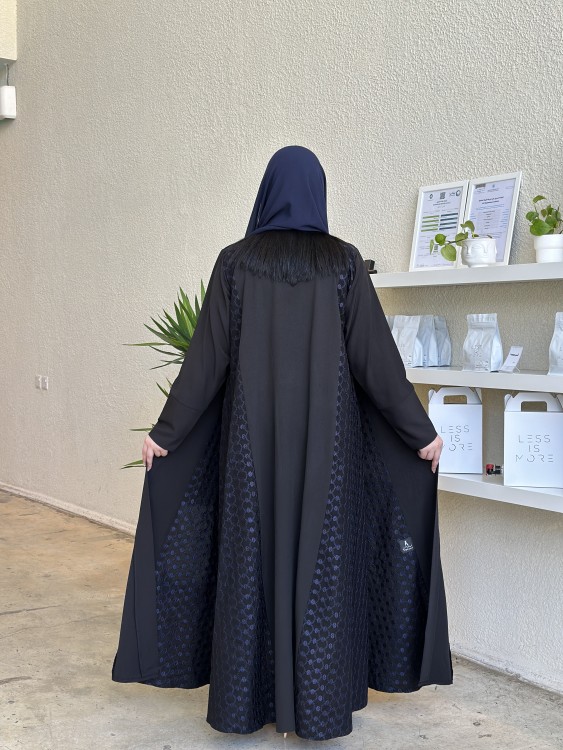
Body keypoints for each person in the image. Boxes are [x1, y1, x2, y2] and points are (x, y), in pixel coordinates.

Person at [112, 145, 451, 742]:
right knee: (324, 571)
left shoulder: (236, 263)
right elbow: (377, 362)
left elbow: (205, 361)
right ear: (318, 193)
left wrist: (166, 435)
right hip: (329, 457)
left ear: (268, 192)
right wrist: (421, 434)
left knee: (251, 568)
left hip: (250, 457)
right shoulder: (343, 263)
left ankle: (245, 705)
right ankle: (317, 709)